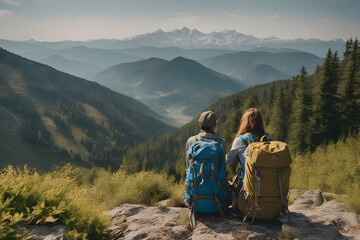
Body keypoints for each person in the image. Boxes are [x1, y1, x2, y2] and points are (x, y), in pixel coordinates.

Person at [226, 108, 272, 179]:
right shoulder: (267, 137)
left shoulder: (241, 140)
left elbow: (228, 160)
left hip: (249, 185)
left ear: (245, 122)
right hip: (269, 182)